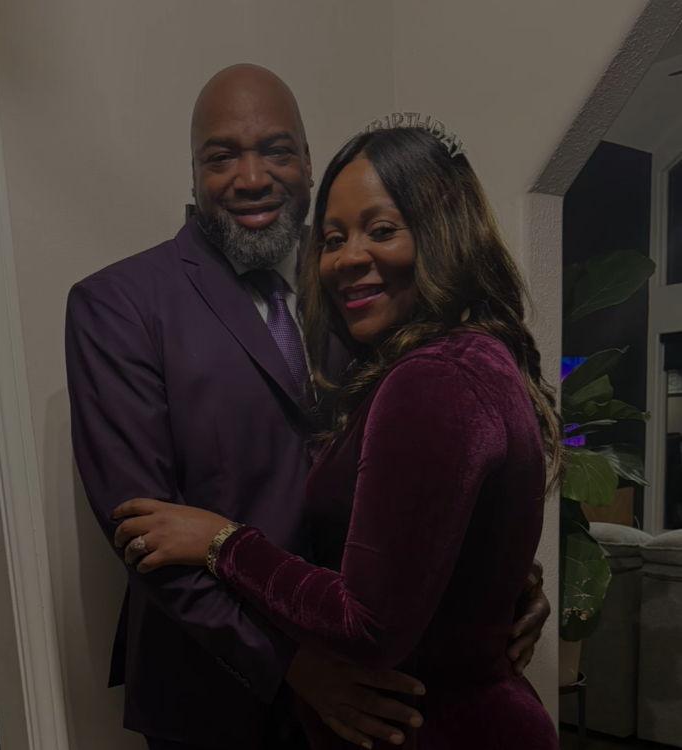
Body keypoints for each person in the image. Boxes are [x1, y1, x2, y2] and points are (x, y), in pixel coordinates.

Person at [66, 63, 549, 749]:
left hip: (378, 682)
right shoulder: (118, 305)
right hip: (216, 694)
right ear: (193, 172)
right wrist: (293, 663)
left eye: (276, 150)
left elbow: (430, 469)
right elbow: (144, 529)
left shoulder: (360, 290)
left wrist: (499, 582)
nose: (252, 177)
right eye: (221, 156)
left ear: (308, 161)